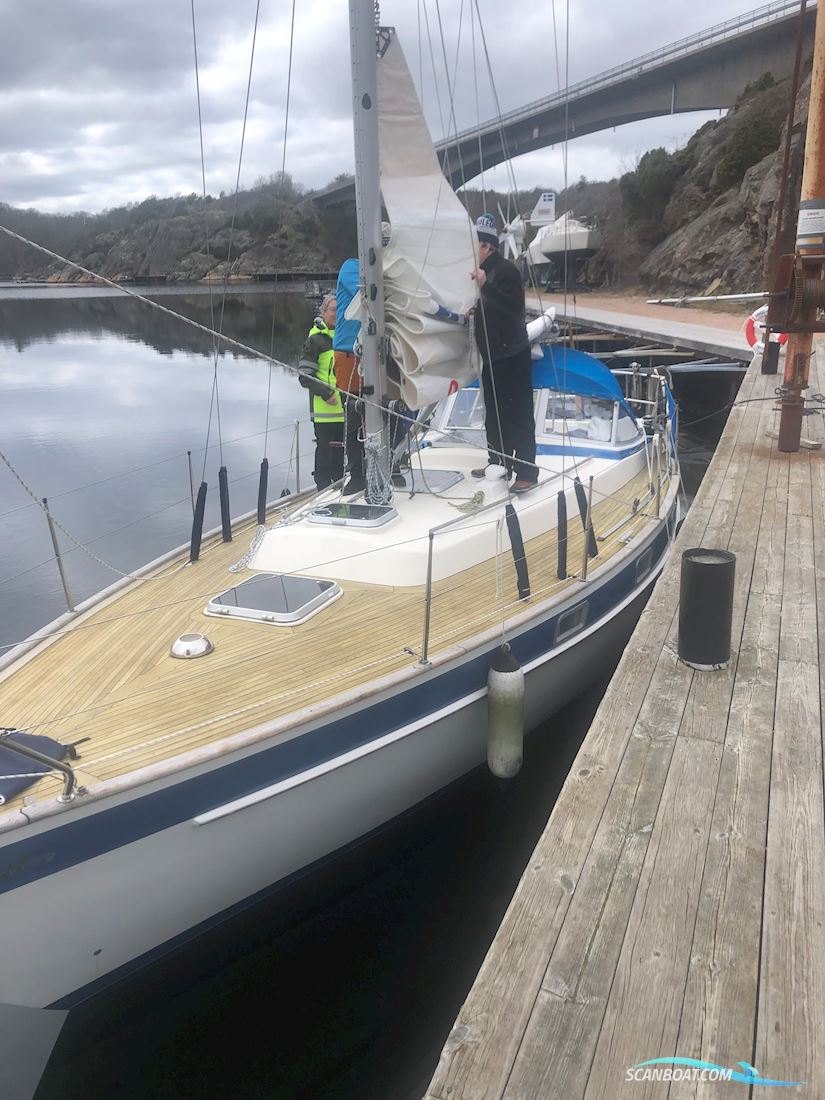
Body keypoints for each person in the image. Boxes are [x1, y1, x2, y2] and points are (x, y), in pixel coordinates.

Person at [470, 212, 538, 493]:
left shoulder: (505, 271)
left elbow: (513, 308)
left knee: (517, 413)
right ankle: (497, 462)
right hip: (494, 357)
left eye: (474, 244)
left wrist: (486, 288)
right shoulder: (485, 272)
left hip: (512, 356)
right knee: (494, 414)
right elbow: (492, 307)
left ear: (486, 246)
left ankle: (527, 471)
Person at [299, 293, 344, 490]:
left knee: (341, 450)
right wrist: (327, 394)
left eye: (340, 310)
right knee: (325, 451)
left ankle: (340, 484)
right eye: (333, 310)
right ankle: (323, 488)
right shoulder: (315, 339)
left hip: (346, 409)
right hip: (324, 409)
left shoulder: (346, 337)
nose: (337, 314)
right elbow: (305, 375)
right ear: (323, 312)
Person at [333, 257, 365, 494]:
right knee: (354, 415)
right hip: (349, 352)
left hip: (383, 351)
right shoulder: (351, 267)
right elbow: (370, 292)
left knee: (390, 411)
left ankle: (393, 464)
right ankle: (356, 475)